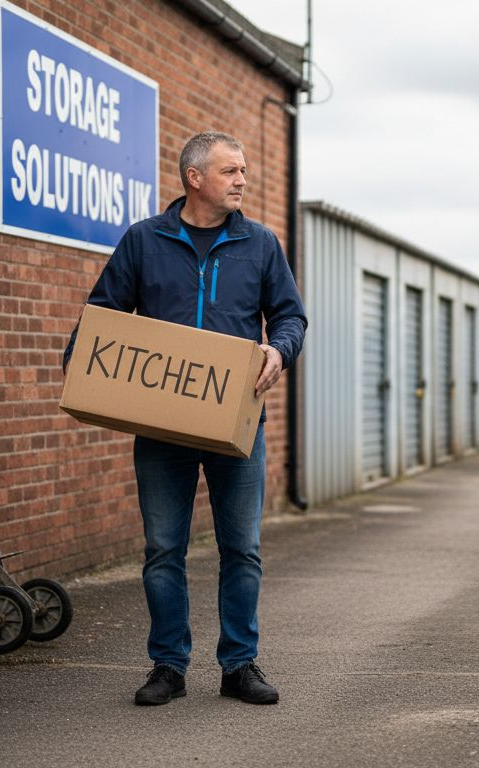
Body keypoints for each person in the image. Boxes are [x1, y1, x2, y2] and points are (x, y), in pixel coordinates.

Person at [63, 131, 307, 706]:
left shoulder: (261, 244)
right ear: (194, 177)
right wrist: (82, 360)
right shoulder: (145, 241)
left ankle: (239, 665)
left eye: (244, 170)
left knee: (242, 548)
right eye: (230, 171)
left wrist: (279, 350)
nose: (242, 180)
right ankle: (167, 665)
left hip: (237, 425)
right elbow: (104, 312)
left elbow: (291, 317)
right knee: (163, 549)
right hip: (163, 425)